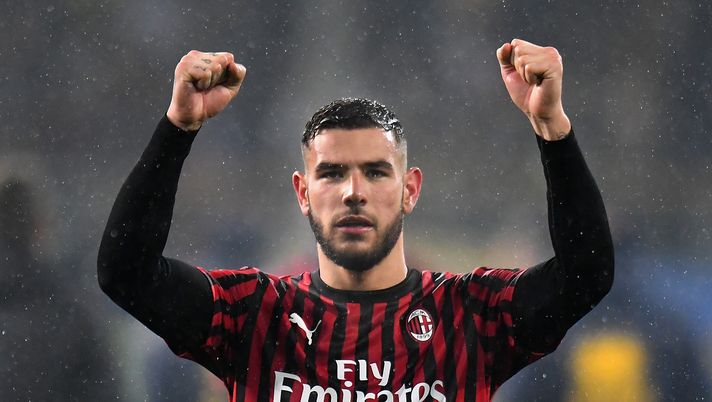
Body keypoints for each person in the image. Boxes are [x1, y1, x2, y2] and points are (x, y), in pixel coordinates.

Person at [98, 39, 614, 401]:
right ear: (303, 194)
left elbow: (586, 275)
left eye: (375, 172)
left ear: (410, 189)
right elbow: (126, 274)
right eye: (332, 173)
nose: (353, 192)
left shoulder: (468, 315)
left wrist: (552, 127)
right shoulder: (255, 316)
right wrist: (178, 127)